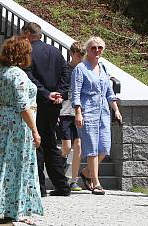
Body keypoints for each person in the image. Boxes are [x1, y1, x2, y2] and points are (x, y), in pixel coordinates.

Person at [0, 36, 43, 225]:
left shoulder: (3, 73)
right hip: (18, 126)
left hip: (4, 124)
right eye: (28, 53)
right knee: (19, 166)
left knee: (7, 165)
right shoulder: (17, 74)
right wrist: (34, 130)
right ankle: (17, 210)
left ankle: (10, 208)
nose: (30, 56)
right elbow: (23, 106)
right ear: (21, 54)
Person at [21, 22, 71, 197]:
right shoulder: (56, 52)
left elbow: (28, 75)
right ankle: (62, 186)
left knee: (38, 144)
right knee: (50, 143)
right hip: (53, 105)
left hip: (37, 103)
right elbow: (66, 74)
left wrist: (45, 93)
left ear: (27, 33)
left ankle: (40, 187)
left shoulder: (27, 52)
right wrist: (59, 94)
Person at [72, 36, 122, 195]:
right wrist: (78, 112)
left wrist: (116, 109)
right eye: (93, 48)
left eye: (100, 47)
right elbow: (76, 93)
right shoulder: (80, 68)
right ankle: (96, 182)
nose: (97, 50)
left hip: (103, 113)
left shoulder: (103, 68)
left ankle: (86, 173)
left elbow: (109, 91)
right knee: (92, 148)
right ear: (87, 50)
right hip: (88, 112)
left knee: (105, 148)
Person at [58, 42, 85, 192]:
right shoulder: (65, 70)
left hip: (78, 114)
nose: (81, 58)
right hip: (64, 112)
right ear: (72, 54)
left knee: (78, 146)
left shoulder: (84, 70)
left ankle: (74, 180)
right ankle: (59, 173)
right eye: (78, 55)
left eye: (82, 55)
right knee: (66, 147)